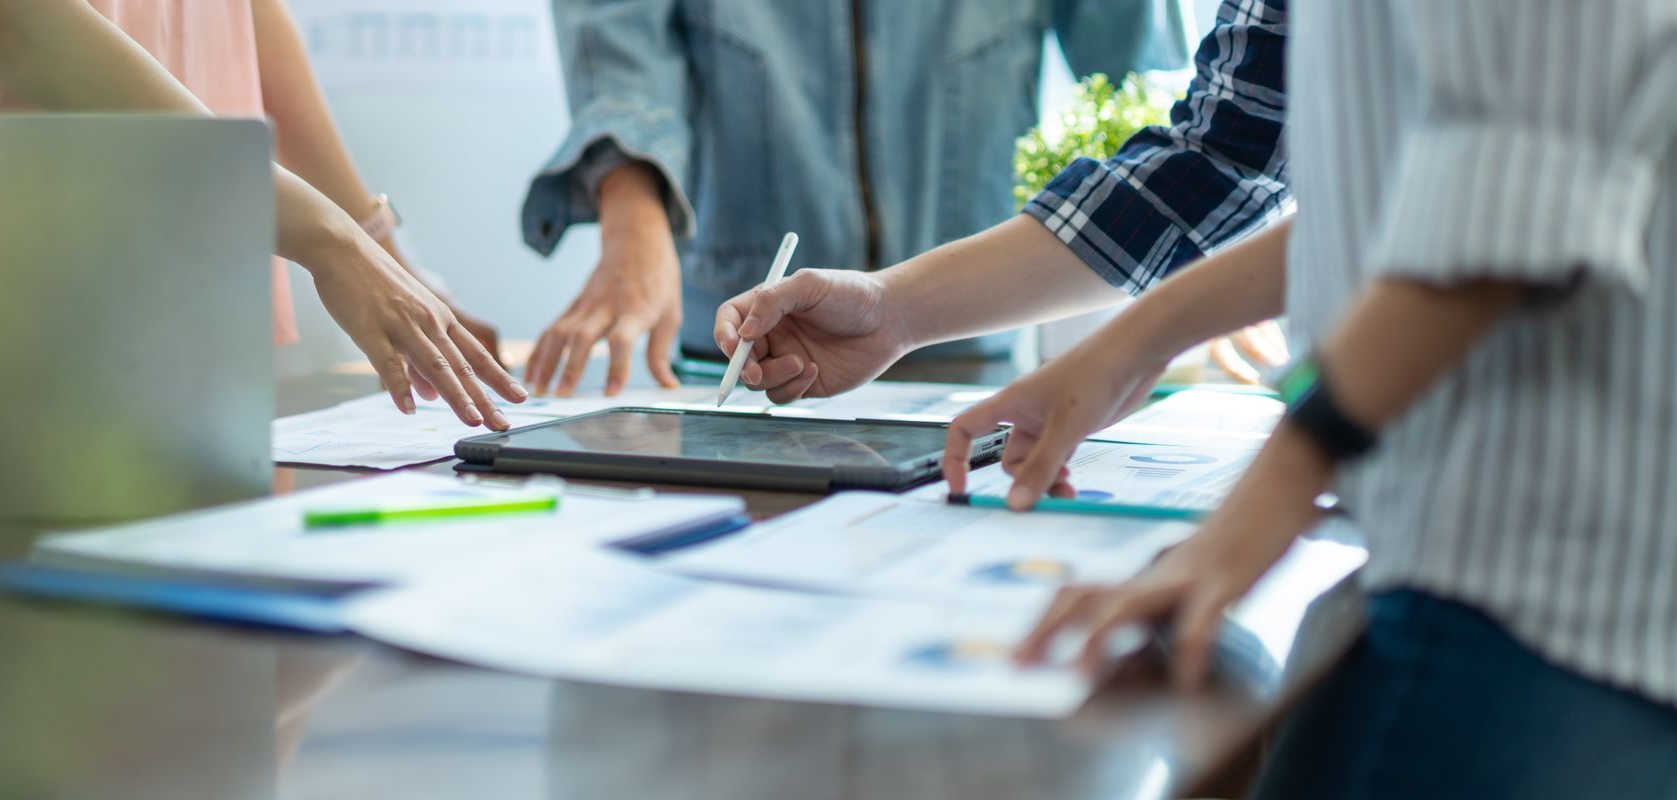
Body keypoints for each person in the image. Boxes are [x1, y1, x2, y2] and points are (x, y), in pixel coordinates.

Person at [964, 0, 1677, 796]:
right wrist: (1133, 341)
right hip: (1461, 547)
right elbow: (1381, 207)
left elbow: (1515, 187)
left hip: (1533, 581)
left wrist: (1247, 521)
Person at [0, 0, 523, 429]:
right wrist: (331, 241)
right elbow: (37, 36)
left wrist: (381, 245)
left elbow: (238, 15)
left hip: (160, 302)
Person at [518, 0, 1191, 397]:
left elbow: (1139, 80)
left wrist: (1185, 250)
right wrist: (634, 212)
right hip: (743, 337)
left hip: (974, 324)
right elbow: (619, 38)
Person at [712, 0, 1288, 406]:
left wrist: (1192, 294)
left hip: (990, 331)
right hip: (749, 290)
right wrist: (891, 311)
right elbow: (1219, 160)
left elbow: (1193, 142)